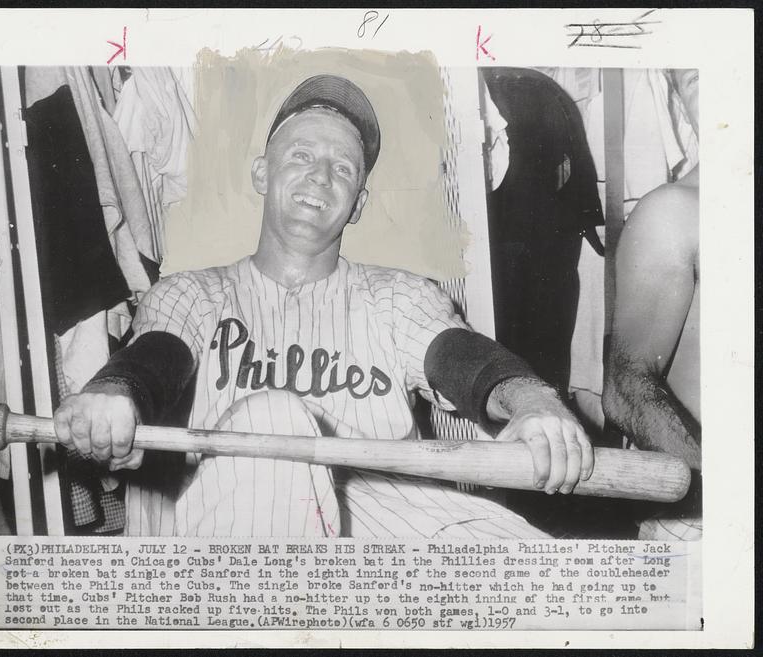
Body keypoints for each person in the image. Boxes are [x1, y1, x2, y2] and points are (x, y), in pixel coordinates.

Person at [53, 74, 593, 538]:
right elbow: (155, 355)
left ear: (357, 204)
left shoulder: (398, 295)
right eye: (302, 155)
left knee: (545, 573)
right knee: (274, 417)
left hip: (379, 522)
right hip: (225, 532)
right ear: (262, 173)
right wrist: (114, 391)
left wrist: (532, 401)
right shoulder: (189, 292)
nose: (320, 175)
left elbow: (460, 357)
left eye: (343, 168)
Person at [603, 68, 701, 539]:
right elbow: (626, 388)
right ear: (680, 108)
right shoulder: (674, 213)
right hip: (704, 515)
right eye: (699, 80)